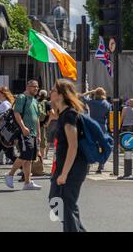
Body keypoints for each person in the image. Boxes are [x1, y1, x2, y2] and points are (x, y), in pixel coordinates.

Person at [48, 79, 88, 232]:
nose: (50, 92)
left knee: (65, 204)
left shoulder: (70, 114)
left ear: (61, 95)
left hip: (72, 167)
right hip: (63, 166)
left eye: (53, 90)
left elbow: (73, 146)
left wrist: (64, 174)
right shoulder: (62, 114)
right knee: (56, 201)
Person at [5, 80, 42, 190]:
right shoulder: (22, 97)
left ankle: (27, 182)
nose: (36, 89)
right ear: (27, 86)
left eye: (37, 87)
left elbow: (37, 119)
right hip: (24, 132)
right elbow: (16, 113)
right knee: (25, 154)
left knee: (29, 158)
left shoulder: (35, 100)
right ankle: (10, 174)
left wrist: (39, 134)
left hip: (33, 133)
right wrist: (23, 127)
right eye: (33, 86)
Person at [83, 88, 111, 174]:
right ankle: (101, 165)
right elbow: (108, 116)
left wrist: (91, 91)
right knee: (102, 145)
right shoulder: (107, 104)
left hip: (92, 126)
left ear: (96, 94)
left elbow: (81, 96)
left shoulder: (92, 102)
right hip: (102, 127)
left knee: (90, 145)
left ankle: (88, 166)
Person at [38, 90, 52, 159]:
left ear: (39, 94)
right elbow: (51, 113)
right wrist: (47, 122)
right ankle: (41, 160)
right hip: (42, 125)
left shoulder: (35, 101)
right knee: (42, 144)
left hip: (34, 125)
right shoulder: (47, 103)